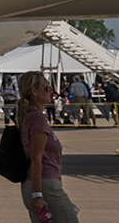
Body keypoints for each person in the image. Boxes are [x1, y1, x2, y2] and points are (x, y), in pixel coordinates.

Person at [18, 70, 79, 223]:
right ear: (34, 91)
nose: (51, 91)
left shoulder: (30, 116)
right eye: (46, 88)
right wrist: (37, 194)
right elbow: (36, 158)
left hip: (40, 184)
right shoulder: (37, 119)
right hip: (45, 185)